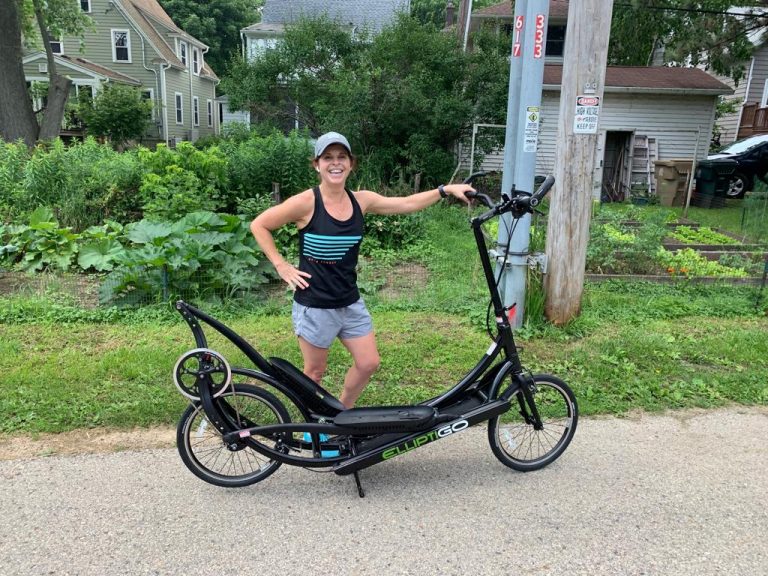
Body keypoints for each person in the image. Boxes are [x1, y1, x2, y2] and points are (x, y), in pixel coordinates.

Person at [250, 132, 474, 409]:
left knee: (369, 363)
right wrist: (281, 265)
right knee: (314, 373)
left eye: (341, 157)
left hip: (350, 302)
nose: (335, 163)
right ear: (317, 165)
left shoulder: (361, 200)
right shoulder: (306, 202)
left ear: (351, 164)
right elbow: (259, 225)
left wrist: (445, 190)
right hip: (316, 304)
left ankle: (342, 413)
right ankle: (312, 426)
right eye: (327, 157)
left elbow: (405, 203)